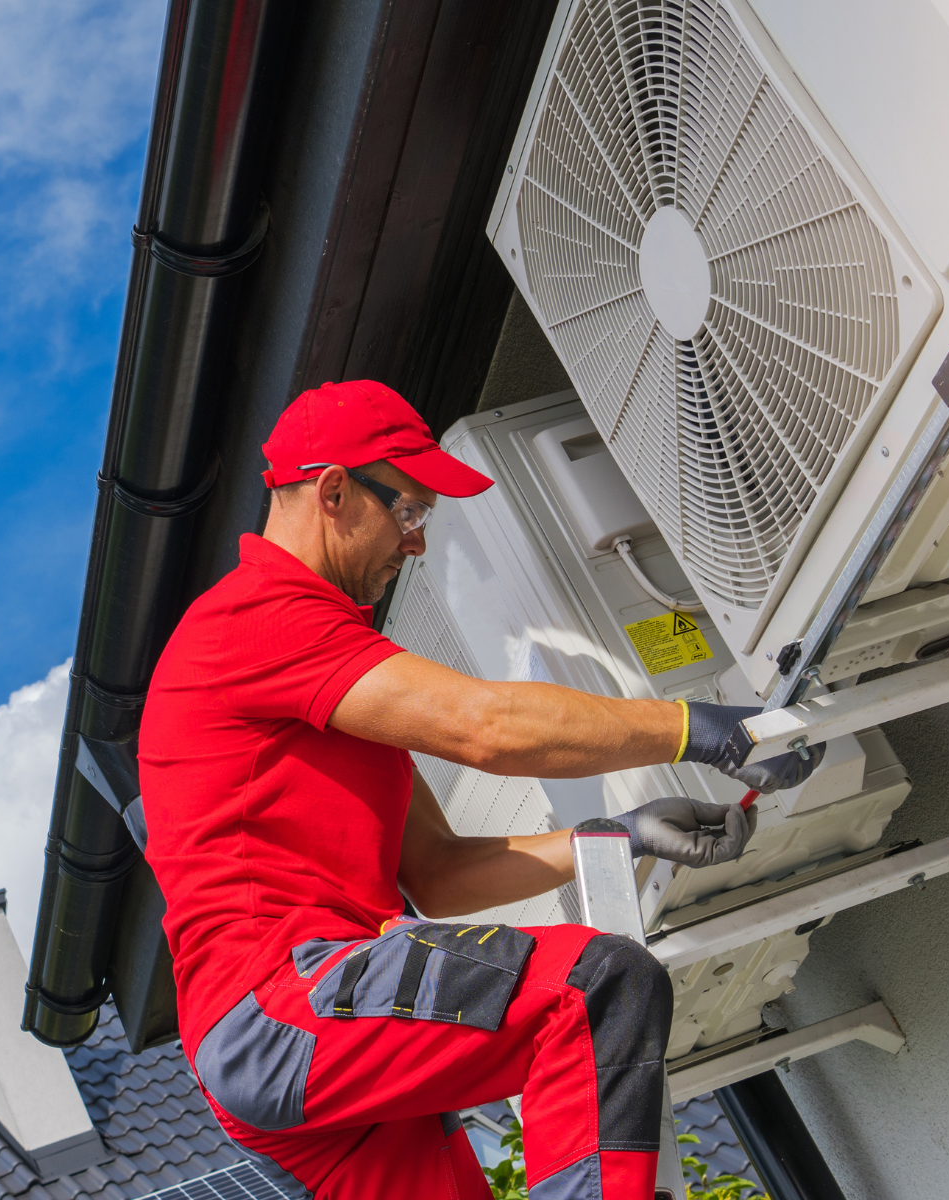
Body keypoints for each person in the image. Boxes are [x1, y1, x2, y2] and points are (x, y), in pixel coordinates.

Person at [137, 380, 817, 1200]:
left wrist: (618, 835)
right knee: (595, 987)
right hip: (290, 1002)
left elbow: (438, 872)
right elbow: (487, 727)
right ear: (333, 490)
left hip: (295, 1038)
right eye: (410, 513)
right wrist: (698, 728)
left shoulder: (323, 669)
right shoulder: (259, 616)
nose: (416, 545)